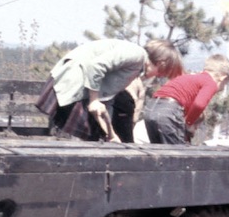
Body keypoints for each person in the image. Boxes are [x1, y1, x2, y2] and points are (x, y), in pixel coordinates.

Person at [37, 38, 183, 141]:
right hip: (73, 81)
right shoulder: (136, 55)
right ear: (161, 63)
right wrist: (94, 100)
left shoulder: (135, 70)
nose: (159, 76)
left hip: (82, 86)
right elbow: (95, 67)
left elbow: (107, 100)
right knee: (91, 133)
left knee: (97, 134)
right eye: (162, 72)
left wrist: (111, 135)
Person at [142, 53, 229, 145]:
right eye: (224, 85)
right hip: (169, 110)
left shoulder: (190, 77)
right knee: (177, 154)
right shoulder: (210, 82)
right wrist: (189, 123)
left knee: (159, 151)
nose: (220, 89)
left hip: (151, 108)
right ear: (223, 77)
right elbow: (199, 104)